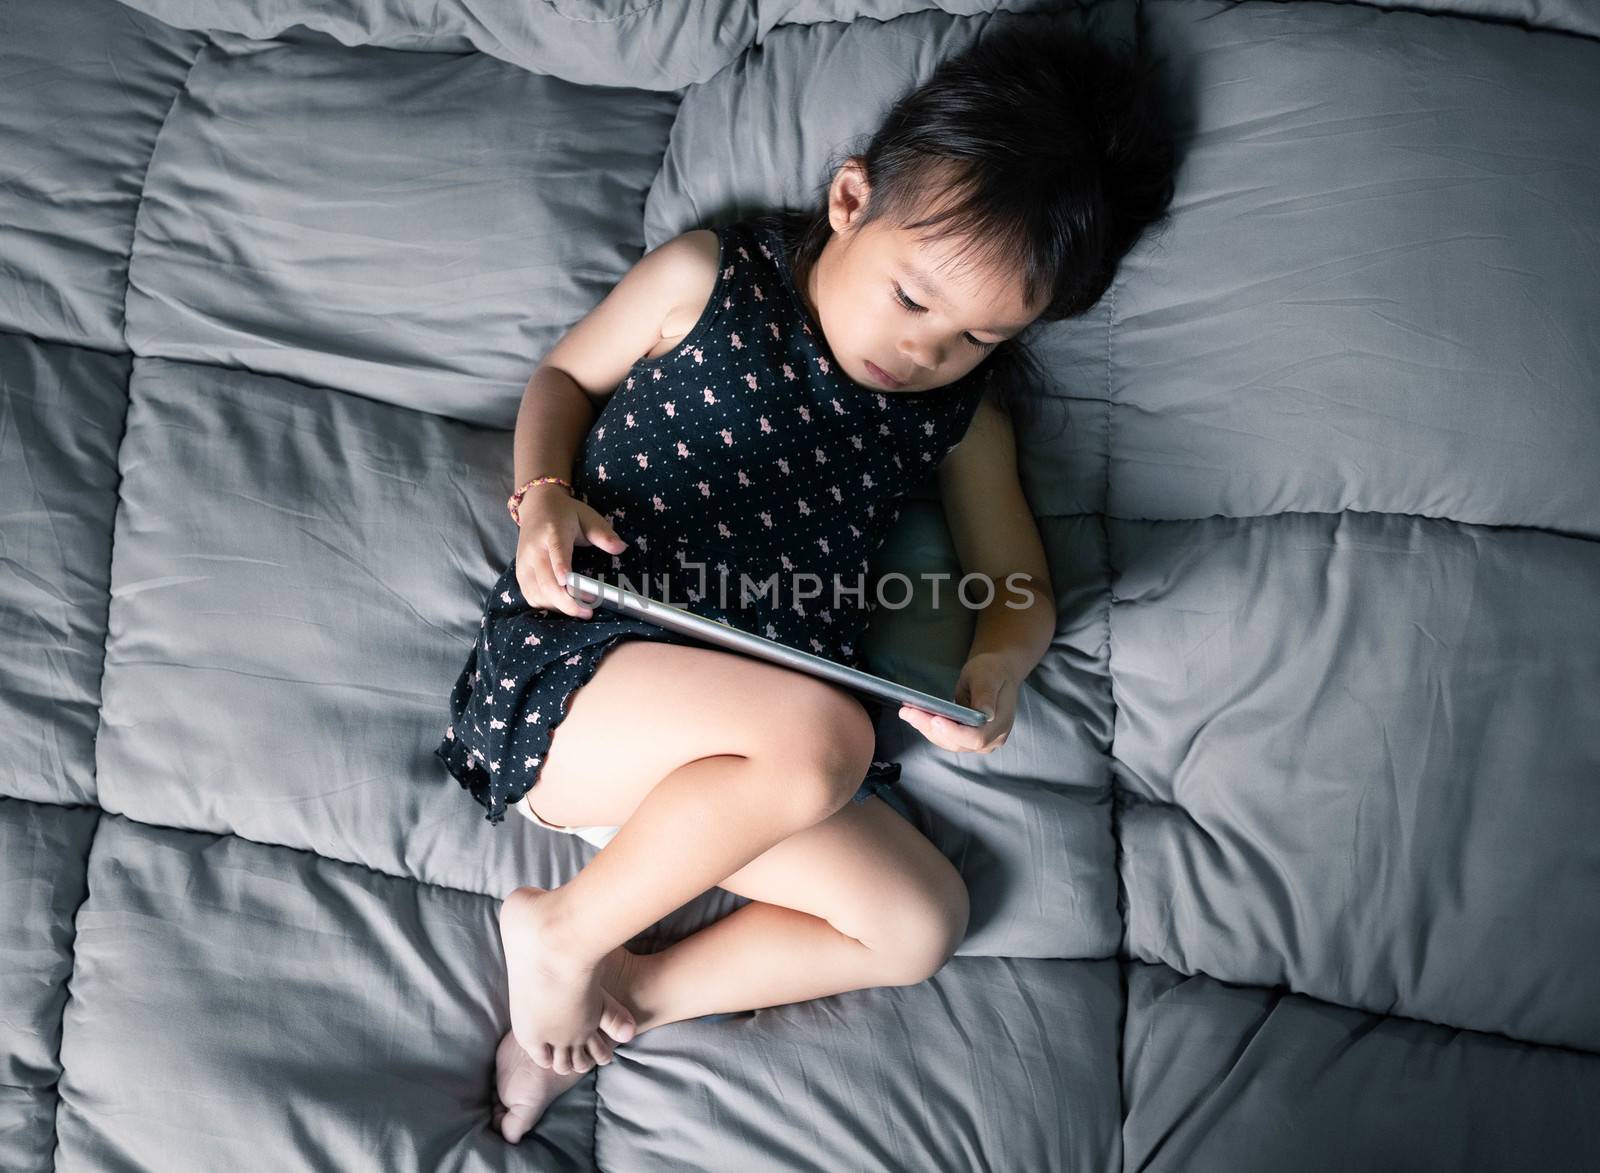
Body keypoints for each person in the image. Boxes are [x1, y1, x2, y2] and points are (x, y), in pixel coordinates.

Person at [434, 19, 1178, 1143]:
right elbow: (565, 376)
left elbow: (1014, 585)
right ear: (848, 200)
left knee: (919, 921)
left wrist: (997, 666)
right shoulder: (711, 277)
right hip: (591, 670)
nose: (927, 352)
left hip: (750, 765)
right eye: (916, 300)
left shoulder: (958, 414)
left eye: (979, 337)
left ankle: (620, 996)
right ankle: (564, 934)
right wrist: (544, 493)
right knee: (825, 738)